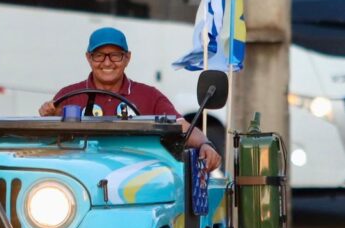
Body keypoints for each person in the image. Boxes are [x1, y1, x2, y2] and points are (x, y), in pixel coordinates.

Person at [39, 27, 221, 171]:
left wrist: (206, 144)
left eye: (116, 55)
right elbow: (49, 146)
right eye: (99, 55)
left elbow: (182, 126)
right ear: (89, 58)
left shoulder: (150, 96)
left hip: (136, 185)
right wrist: (50, 118)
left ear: (127, 58)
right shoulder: (69, 95)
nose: (108, 63)